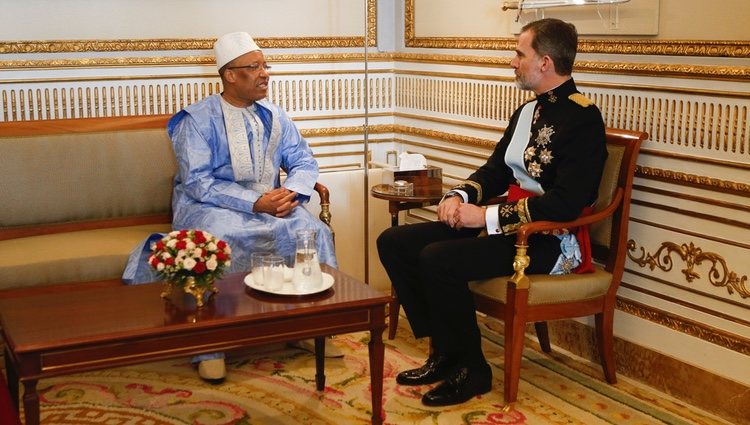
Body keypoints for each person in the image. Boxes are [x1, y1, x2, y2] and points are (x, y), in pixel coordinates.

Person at [377, 18, 607, 407]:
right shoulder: (525, 111)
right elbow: (496, 170)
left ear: (545, 62)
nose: (512, 62)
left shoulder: (583, 119)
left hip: (551, 240)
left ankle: (473, 370)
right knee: (396, 242)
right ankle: (447, 354)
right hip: (509, 225)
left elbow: (567, 203)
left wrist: (483, 219)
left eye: (520, 54)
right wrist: (458, 195)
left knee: (439, 259)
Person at [123, 31, 338, 383]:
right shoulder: (196, 119)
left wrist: (291, 193)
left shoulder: (276, 115)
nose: (265, 73)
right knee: (221, 236)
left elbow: (303, 160)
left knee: (312, 231)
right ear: (230, 75)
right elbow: (197, 181)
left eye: (265, 65)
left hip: (273, 202)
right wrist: (255, 202)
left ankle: (312, 329)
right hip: (208, 204)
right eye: (254, 67)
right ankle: (211, 344)